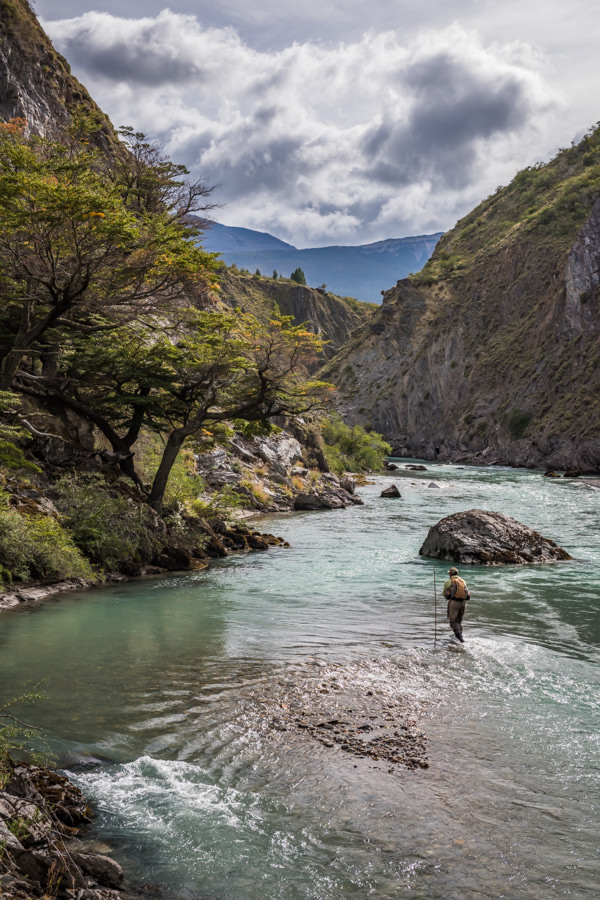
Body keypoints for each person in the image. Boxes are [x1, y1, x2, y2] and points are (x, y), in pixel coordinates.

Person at [443, 566, 470, 643]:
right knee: (458, 621)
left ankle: (460, 638)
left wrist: (447, 595)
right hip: (464, 603)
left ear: (450, 574)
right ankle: (459, 637)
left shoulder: (448, 581)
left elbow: (444, 593)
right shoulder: (463, 581)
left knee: (453, 622)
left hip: (454, 603)